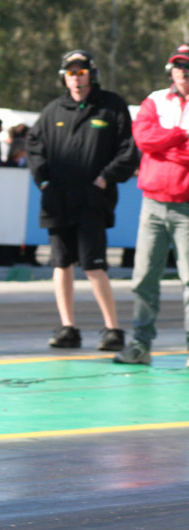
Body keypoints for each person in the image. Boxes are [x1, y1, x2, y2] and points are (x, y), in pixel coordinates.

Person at [27, 49, 139, 350]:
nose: (76, 79)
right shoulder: (53, 110)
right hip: (57, 201)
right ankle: (68, 328)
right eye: (70, 73)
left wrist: (105, 179)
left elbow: (128, 149)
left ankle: (113, 329)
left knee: (93, 265)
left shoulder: (111, 106)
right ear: (63, 77)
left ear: (92, 75)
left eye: (81, 72)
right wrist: (44, 181)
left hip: (92, 200)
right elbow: (34, 147)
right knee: (61, 263)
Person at [114, 45, 189, 366]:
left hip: (187, 208)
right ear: (170, 70)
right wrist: (179, 136)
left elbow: (155, 143)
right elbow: (143, 139)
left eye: (187, 66)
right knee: (143, 278)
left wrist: (163, 145)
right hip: (153, 203)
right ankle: (141, 346)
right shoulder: (155, 100)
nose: (183, 71)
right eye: (178, 66)